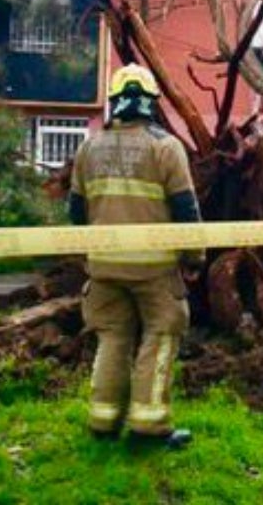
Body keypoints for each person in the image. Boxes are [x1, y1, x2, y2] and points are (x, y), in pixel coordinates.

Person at [68, 64, 204, 445]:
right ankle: (148, 424)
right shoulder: (165, 147)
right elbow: (186, 211)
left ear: (115, 103)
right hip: (155, 269)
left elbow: (75, 214)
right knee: (161, 334)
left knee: (112, 338)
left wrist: (89, 256)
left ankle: (104, 421)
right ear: (151, 103)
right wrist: (194, 258)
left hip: (104, 267)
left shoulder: (88, 147)